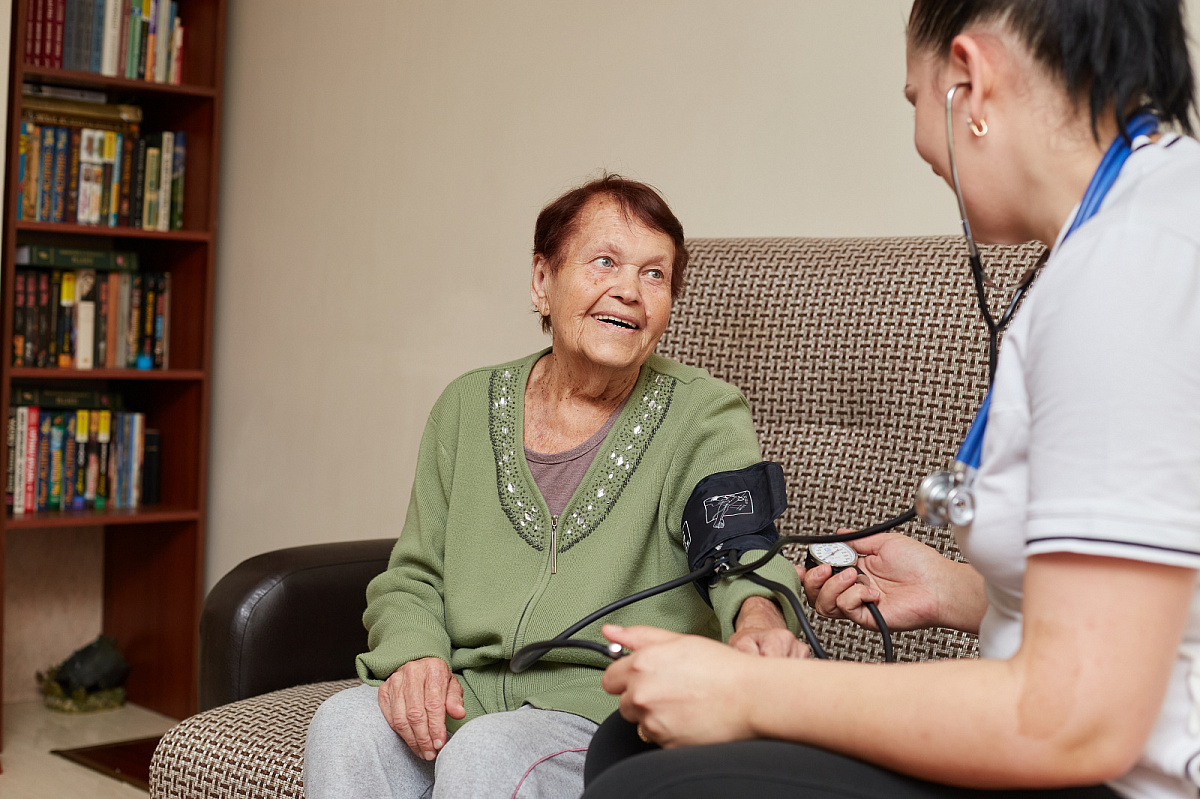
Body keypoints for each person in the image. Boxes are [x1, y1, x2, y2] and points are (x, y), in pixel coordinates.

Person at [584, 2, 1200, 798]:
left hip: (1127, 774)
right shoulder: (1138, 225)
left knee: (648, 784)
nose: (920, 145)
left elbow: (1075, 714)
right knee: (632, 744)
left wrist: (750, 692)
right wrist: (960, 592)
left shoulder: (1129, 269)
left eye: (916, 99)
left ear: (968, 83)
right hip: (1097, 735)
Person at [303, 174, 806, 799]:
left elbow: (741, 550)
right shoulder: (465, 407)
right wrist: (413, 656)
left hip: (608, 712)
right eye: (605, 262)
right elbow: (413, 576)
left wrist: (759, 619)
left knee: (487, 757)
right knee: (345, 724)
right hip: (474, 690)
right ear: (543, 281)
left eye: (655, 275)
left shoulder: (703, 415)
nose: (629, 291)